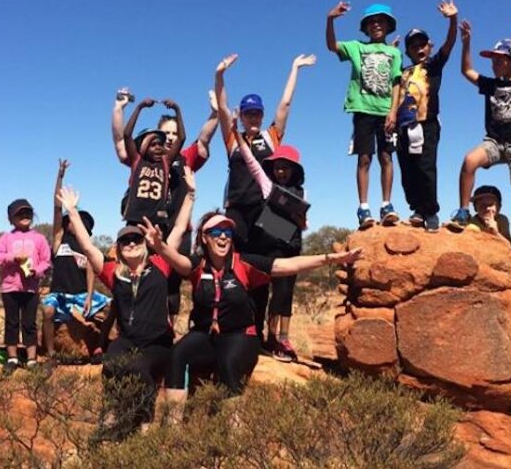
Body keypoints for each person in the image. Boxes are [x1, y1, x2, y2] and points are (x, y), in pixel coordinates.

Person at [144, 210, 363, 422]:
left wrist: (331, 258)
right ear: (204, 237)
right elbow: (178, 262)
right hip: (205, 334)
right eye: (216, 232)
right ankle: (173, 427)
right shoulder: (198, 266)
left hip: (240, 335)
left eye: (227, 232)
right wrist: (159, 246)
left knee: (228, 364)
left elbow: (288, 264)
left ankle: (234, 432)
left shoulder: (245, 263)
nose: (223, 237)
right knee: (177, 354)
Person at [56, 176, 193, 426]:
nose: (131, 243)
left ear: (145, 244)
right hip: (127, 340)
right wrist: (72, 211)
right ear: (118, 248)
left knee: (139, 367)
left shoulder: (161, 264)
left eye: (136, 239)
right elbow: (88, 247)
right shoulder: (113, 273)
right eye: (125, 241)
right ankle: (110, 417)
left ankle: (144, 423)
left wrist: (190, 196)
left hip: (157, 342)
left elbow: (179, 229)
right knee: (111, 363)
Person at [447, 5, 511, 260]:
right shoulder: (490, 84)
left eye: (499, 59)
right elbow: (466, 71)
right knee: (470, 161)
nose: (494, 64)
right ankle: (463, 211)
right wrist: (466, 43)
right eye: (492, 60)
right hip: (494, 142)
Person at [114, 90, 219, 318]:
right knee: (138, 274)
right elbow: (123, 138)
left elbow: (199, 138)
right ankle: (135, 321)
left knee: (171, 281)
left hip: (175, 229)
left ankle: (168, 326)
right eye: (165, 134)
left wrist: (212, 112)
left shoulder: (180, 158)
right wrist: (127, 108)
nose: (169, 138)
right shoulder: (140, 160)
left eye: (173, 133)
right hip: (144, 224)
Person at [214, 53, 313, 251]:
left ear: (262, 115)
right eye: (248, 113)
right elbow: (222, 108)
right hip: (236, 208)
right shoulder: (233, 139)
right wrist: (219, 75)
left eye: (257, 113)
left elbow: (285, 104)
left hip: (265, 206)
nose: (253, 117)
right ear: (241, 116)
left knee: (280, 248)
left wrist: (295, 68)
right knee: (237, 257)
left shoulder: (271, 137)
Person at [326, 1, 403, 229]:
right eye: (372, 22)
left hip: (385, 112)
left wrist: (393, 111)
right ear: (366, 28)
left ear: (388, 26)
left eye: (381, 21)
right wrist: (330, 19)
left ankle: (386, 205)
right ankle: (363, 207)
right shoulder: (356, 47)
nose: (376, 25)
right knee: (365, 158)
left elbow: (396, 82)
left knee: (386, 157)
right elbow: (332, 46)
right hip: (363, 110)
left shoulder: (394, 52)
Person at [235, 136, 309, 362]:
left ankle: (282, 339)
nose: (281, 172)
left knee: (285, 293)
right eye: (278, 167)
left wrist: (297, 218)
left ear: (294, 170)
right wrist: (237, 136)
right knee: (262, 294)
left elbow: (303, 226)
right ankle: (266, 336)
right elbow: (252, 163)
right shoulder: (267, 187)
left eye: (286, 168)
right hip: (268, 248)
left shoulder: (301, 192)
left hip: (291, 247)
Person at [393, 0, 459, 230]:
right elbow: (395, 94)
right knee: (407, 169)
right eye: (413, 47)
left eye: (422, 45)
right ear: (408, 51)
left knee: (426, 167)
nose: (419, 49)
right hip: (403, 125)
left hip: (427, 124)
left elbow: (450, 44)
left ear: (429, 46)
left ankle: (430, 212)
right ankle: (417, 209)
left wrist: (452, 20)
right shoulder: (403, 71)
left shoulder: (433, 66)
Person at [42, 159, 110, 362]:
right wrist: (60, 176)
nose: (75, 222)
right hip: (60, 295)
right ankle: (51, 353)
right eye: (73, 219)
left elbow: (90, 272)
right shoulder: (59, 239)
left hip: (80, 295)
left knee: (110, 308)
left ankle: (101, 347)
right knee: (47, 311)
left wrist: (89, 296)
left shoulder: (87, 247)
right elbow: (56, 207)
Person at [0, 198, 51, 373]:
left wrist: (36, 271)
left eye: (28, 212)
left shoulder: (39, 238)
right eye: (19, 213)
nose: (25, 216)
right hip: (10, 288)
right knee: (12, 323)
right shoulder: (6, 238)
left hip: (30, 289)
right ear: (10, 219)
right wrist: (12, 258)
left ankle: (31, 359)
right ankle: (12, 358)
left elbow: (47, 262)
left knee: (29, 323)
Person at [121, 98, 186, 227]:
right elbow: (127, 134)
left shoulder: (165, 162)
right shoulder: (137, 161)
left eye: (160, 144)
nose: (158, 147)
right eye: (153, 144)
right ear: (143, 147)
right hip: (135, 219)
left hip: (157, 221)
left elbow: (182, 138)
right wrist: (139, 107)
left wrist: (177, 109)